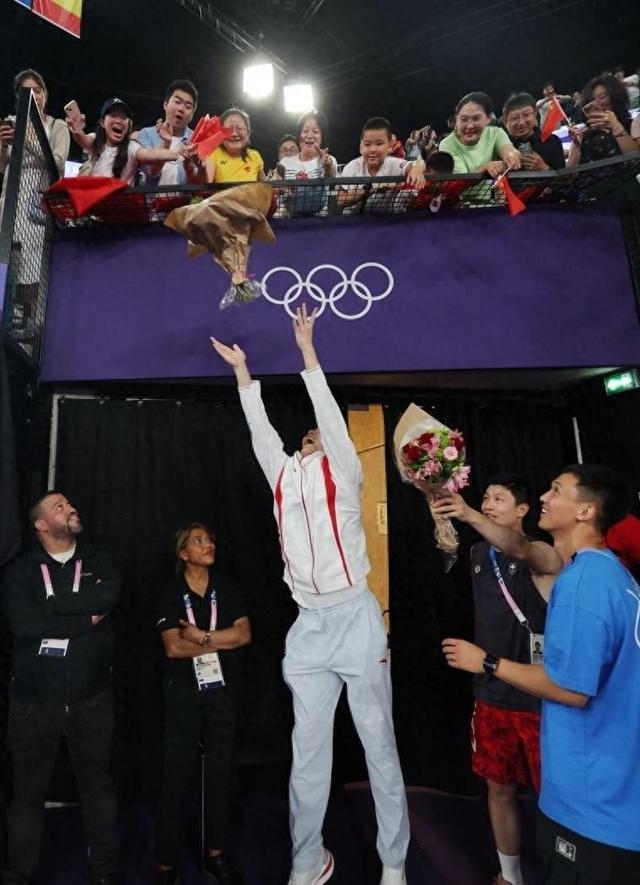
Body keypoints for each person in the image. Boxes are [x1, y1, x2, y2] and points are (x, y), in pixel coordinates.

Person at [211, 305, 410, 885]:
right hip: (309, 626)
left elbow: (326, 413)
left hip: (355, 617)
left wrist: (307, 354)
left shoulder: (345, 472)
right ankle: (307, 862)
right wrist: (244, 374)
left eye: (324, 431)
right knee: (306, 756)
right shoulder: (283, 475)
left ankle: (393, 862)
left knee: (379, 746)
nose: (314, 433)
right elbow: (260, 432)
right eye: (310, 433)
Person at [439, 465, 640, 885]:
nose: (548, 498)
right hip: (602, 783)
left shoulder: (578, 577)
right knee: (500, 787)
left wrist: (487, 662)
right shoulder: (608, 575)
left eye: (556, 490)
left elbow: (571, 689)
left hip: (592, 801)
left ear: (586, 510)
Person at [426, 475, 553, 885]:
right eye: (485, 497)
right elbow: (446, 553)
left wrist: (468, 512)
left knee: (552, 796)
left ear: (523, 510)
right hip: (492, 694)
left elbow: (516, 546)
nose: (490, 502)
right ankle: (511, 876)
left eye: (500, 498)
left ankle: (563, 871)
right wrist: (443, 518)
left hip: (540, 696)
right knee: (498, 788)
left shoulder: (541, 553)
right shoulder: (479, 551)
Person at [1, 491, 121, 885]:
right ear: (40, 525)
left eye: (70, 503)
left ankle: (105, 872)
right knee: (27, 796)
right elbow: (26, 626)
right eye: (59, 507)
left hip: (92, 699)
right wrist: (84, 619)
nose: (70, 508)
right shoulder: (20, 571)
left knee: (98, 790)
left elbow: (108, 595)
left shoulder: (99, 560)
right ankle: (19, 874)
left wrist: (53, 609)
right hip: (34, 704)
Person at [154, 523, 251, 885]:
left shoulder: (226, 586)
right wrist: (217, 641)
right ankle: (165, 864)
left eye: (210, 538)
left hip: (222, 694)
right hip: (182, 695)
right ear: (183, 553)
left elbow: (244, 635)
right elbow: (173, 647)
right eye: (198, 541)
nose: (208, 544)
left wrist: (201, 636)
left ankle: (215, 854)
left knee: (219, 774)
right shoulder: (169, 591)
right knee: (175, 776)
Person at [0, 69, 70, 343]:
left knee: (33, 272)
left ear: (45, 95)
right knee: (7, 264)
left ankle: (31, 333)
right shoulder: (11, 121)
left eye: (37, 91)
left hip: (37, 210)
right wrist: (4, 146)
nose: (33, 96)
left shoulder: (57, 126)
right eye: (26, 92)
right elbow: (2, 167)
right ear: (19, 98)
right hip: (9, 205)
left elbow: (59, 165)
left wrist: (26, 139)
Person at [68, 97, 192, 185]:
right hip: (97, 212)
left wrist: (177, 152)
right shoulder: (96, 141)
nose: (118, 120)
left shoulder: (132, 148)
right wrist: (76, 128)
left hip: (121, 212)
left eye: (123, 117)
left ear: (129, 125)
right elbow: (82, 139)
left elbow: (152, 154)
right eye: (113, 115)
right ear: (102, 123)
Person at [338, 116, 425, 211]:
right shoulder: (351, 167)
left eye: (379, 144)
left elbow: (417, 163)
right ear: (360, 147)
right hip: (352, 221)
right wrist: (372, 190)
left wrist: (418, 167)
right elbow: (340, 200)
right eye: (367, 144)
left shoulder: (394, 164)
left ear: (390, 146)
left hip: (385, 222)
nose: (372, 149)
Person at [136, 79, 200, 186]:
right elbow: (151, 173)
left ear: (192, 114)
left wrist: (190, 168)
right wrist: (166, 143)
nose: (181, 109)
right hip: (151, 202)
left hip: (185, 202)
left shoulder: (197, 141)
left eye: (188, 106)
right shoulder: (146, 134)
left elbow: (196, 185)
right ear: (165, 104)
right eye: (177, 102)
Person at [439, 93, 521, 176]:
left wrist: (511, 156)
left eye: (476, 118)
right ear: (456, 119)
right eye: (464, 119)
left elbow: (508, 149)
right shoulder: (447, 145)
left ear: (488, 118)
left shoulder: (495, 133)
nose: (470, 125)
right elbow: (461, 180)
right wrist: (485, 168)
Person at [273, 111, 337, 216]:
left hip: (320, 221)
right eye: (305, 131)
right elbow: (275, 188)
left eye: (315, 132)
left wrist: (327, 164)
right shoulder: (285, 162)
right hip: (290, 221)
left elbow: (331, 175)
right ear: (299, 136)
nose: (309, 135)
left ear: (322, 137)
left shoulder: (328, 160)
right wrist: (281, 188)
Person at [567, 74, 638, 166]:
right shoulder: (582, 136)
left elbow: (636, 162)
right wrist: (576, 146)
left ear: (615, 97)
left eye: (602, 97)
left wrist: (616, 126)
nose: (596, 104)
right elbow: (569, 178)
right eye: (591, 101)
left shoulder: (633, 126)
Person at [502, 93, 565, 171]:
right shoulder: (500, 147)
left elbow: (563, 180)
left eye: (526, 115)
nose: (521, 122)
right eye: (515, 118)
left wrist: (545, 169)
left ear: (535, 115)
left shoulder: (553, 141)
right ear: (505, 122)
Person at [204, 108, 266, 184]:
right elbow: (206, 185)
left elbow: (266, 187)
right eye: (228, 129)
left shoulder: (255, 156)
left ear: (248, 132)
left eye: (239, 129)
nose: (234, 134)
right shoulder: (213, 154)